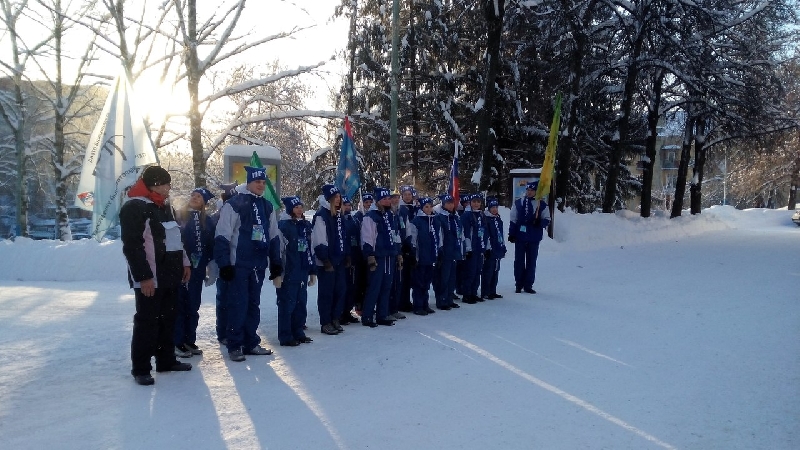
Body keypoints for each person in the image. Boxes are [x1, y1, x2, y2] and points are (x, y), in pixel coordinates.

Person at [120, 165, 192, 386]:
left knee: (168, 320)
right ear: (156, 184)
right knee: (147, 322)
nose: (169, 187)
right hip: (151, 277)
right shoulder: (134, 207)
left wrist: (185, 263)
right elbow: (132, 246)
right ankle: (141, 368)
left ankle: (166, 360)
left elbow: (174, 238)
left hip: (170, 274)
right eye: (167, 183)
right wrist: (144, 277)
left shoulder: (164, 206)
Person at [214, 166, 282, 362]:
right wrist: (224, 263)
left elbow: (274, 236)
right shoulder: (234, 204)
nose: (261, 185)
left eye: (263, 182)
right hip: (239, 264)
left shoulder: (267, 206)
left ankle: (251, 342)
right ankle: (235, 344)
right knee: (238, 304)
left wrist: (275, 262)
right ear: (249, 182)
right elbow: (223, 235)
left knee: (254, 304)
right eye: (257, 182)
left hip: (258, 265)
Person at [174, 187, 216, 358]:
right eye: (192, 195)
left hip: (198, 270)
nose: (194, 198)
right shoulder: (179, 216)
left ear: (204, 202)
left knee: (193, 304)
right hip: (181, 268)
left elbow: (211, 243)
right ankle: (177, 341)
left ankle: (189, 339)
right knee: (180, 305)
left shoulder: (208, 221)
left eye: (198, 196)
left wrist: (211, 264)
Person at [274, 196, 315, 346]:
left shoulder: (305, 225)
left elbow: (309, 249)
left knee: (300, 303)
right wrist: (278, 272)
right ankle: (286, 335)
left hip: (302, 271)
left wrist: (312, 271)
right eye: (296, 207)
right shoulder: (283, 226)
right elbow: (278, 250)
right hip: (289, 272)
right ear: (289, 208)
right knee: (287, 304)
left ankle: (298, 331)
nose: (299, 210)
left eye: (301, 207)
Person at [312, 184, 350, 335]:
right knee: (326, 293)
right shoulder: (322, 216)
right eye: (335, 198)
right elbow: (319, 239)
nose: (338, 200)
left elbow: (343, 237)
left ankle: (335, 317)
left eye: (339, 197)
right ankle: (325, 321)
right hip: (327, 262)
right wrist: (325, 259)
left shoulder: (339, 216)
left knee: (340, 290)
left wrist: (346, 254)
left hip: (339, 260)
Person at [360, 186, 401, 327]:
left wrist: (398, 252)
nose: (387, 201)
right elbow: (367, 237)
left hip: (390, 255)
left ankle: (382, 314)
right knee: (374, 287)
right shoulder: (371, 217)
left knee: (386, 286)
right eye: (384, 199)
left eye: (389, 198)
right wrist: (369, 255)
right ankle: (367, 316)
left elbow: (395, 235)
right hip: (378, 256)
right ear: (378, 201)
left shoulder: (391, 215)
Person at [508, 181, 550, 294]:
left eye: (532, 190)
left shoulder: (541, 204)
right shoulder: (519, 203)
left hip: (534, 237)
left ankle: (528, 284)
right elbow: (513, 219)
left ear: (536, 191)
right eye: (528, 190)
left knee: (531, 262)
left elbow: (547, 219)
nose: (529, 192)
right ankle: (518, 283)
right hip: (520, 236)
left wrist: (540, 223)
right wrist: (511, 233)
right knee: (519, 261)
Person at [212, 183, 237, 345]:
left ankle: (232, 331)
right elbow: (218, 241)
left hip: (235, 262)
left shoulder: (237, 212)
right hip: (223, 263)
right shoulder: (216, 217)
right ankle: (223, 333)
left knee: (234, 300)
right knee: (224, 300)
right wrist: (222, 262)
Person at [407, 197, 442, 315]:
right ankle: (418, 305)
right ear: (421, 208)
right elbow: (413, 240)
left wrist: (438, 252)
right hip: (420, 257)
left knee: (427, 282)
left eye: (430, 206)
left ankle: (425, 304)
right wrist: (414, 255)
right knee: (419, 282)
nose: (429, 209)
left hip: (431, 256)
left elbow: (439, 238)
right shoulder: (416, 221)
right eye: (426, 206)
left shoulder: (435, 221)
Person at [433, 194, 463, 310]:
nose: (450, 205)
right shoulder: (440, 217)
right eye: (448, 203)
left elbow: (461, 234)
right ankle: (442, 300)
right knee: (443, 277)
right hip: (445, 251)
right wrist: (439, 250)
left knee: (452, 277)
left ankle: (449, 298)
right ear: (443, 204)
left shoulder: (455, 217)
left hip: (454, 251)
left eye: (452, 203)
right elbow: (439, 235)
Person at [461, 193, 487, 304]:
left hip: (479, 247)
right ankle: (467, 294)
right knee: (470, 272)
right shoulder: (467, 215)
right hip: (471, 248)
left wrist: (485, 246)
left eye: (478, 202)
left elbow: (484, 232)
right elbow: (465, 233)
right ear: (470, 203)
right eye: (474, 202)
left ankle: (474, 292)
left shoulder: (481, 214)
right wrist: (468, 248)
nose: (476, 204)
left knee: (477, 271)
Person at [340, 196, 362, 325]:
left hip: (354, 256)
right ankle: (341, 313)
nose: (347, 207)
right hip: (344, 258)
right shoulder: (340, 220)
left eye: (349, 205)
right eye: (345, 205)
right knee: (344, 287)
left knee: (352, 287)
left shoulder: (352, 219)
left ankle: (347, 311)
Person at [481, 197, 507, 299]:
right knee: (488, 270)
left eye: (496, 207)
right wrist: (488, 248)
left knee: (496, 270)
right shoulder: (486, 219)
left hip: (498, 248)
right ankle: (486, 291)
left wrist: (503, 245)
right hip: (491, 249)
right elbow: (486, 235)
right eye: (492, 207)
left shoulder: (498, 219)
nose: (494, 209)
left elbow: (501, 234)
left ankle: (493, 290)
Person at [396, 185, 416, 313]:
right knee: (401, 277)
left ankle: (406, 300)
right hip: (402, 245)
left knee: (409, 276)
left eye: (410, 194)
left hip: (412, 243)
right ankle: (400, 301)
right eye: (405, 194)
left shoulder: (416, 207)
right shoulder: (400, 209)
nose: (408, 196)